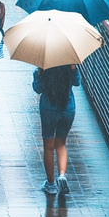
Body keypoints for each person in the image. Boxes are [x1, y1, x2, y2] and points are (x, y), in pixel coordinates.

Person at [32, 64, 82, 195]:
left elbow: (38, 89)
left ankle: (51, 184)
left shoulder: (43, 66)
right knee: (61, 144)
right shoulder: (69, 64)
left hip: (48, 109)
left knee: (48, 146)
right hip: (68, 108)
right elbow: (77, 82)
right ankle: (62, 175)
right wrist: (73, 68)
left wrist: (39, 72)